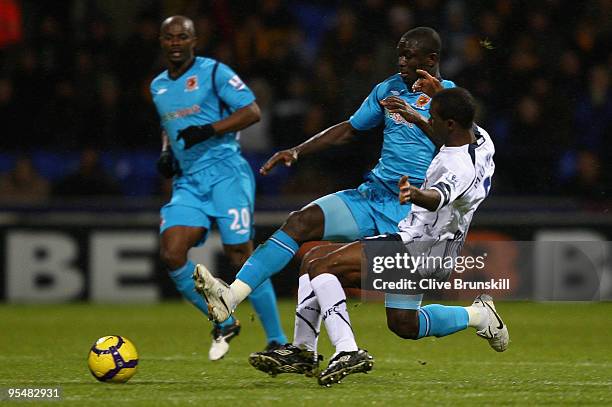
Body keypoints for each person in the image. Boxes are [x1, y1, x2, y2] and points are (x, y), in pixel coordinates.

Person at [193, 27, 454, 324]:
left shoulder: (450, 98)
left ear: (431, 59)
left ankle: (477, 316)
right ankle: (232, 297)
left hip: (414, 213)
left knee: (403, 322)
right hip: (373, 195)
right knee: (300, 222)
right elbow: (349, 129)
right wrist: (298, 150)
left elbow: (457, 145)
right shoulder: (388, 88)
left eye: (409, 56)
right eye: (400, 55)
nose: (401, 62)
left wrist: (418, 117)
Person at [250, 87, 508, 386]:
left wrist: (415, 194)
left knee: (319, 265)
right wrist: (418, 114)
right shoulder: (482, 141)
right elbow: (453, 131)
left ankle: (344, 350)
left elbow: (438, 196)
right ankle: (478, 316)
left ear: (450, 124)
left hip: (415, 251)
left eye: (432, 117)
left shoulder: (456, 165)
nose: (427, 121)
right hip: (437, 252)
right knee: (404, 323)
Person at [150, 15, 287, 361]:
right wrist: (166, 153)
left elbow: (252, 111)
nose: (176, 42)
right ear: (162, 42)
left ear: (194, 41)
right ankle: (223, 320)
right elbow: (170, 125)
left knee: (241, 255)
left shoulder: (214, 72)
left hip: (226, 174)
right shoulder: (158, 86)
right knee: (171, 253)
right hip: (189, 182)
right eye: (170, 37)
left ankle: (277, 340)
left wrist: (210, 129)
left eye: (183, 37)